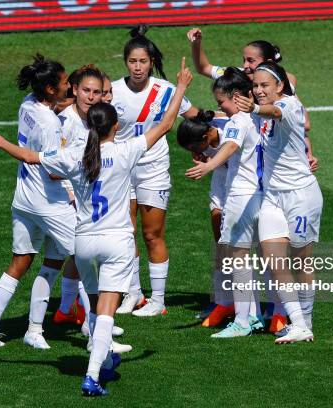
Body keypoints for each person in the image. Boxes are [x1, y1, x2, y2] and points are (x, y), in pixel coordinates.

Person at [0, 57, 193, 396]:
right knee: (107, 313)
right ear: (115, 127)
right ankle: (93, 374)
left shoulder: (76, 155)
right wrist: (182, 86)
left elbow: (29, 157)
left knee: (96, 304)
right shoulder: (127, 150)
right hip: (116, 244)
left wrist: (1, 143)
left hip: (83, 243)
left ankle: (102, 354)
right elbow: (167, 124)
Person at [0, 54, 75, 350]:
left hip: (23, 199)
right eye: (64, 83)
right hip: (51, 204)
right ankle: (100, 333)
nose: (69, 86)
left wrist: (69, 104)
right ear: (49, 89)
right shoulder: (50, 125)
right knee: (86, 258)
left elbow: (50, 112)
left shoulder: (28, 105)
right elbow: (53, 169)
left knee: (21, 262)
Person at [112, 24, 199, 317]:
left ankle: (158, 300)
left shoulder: (165, 90)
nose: (138, 68)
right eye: (133, 62)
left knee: (152, 235)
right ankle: (133, 293)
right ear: (126, 62)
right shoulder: (112, 90)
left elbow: (195, 117)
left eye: (143, 62)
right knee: (126, 233)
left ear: (152, 62)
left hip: (153, 170)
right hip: (122, 171)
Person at [235, 61, 323, 343]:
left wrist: (256, 108)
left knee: (301, 262)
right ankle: (297, 323)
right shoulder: (262, 105)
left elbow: (274, 110)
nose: (259, 91)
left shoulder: (291, 106)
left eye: (265, 86)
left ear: (280, 86)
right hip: (273, 196)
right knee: (274, 261)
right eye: (256, 86)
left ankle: (306, 320)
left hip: (301, 196)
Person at [185, 67, 266, 338]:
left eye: (221, 101)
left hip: (240, 196)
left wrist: (210, 167)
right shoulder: (259, 118)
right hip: (261, 194)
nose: (219, 107)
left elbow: (230, 147)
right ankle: (253, 314)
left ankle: (243, 320)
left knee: (237, 258)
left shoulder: (237, 121)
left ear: (234, 96)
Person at [57, 64, 131, 354]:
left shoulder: (94, 119)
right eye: (87, 91)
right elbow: (56, 167)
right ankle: (77, 317)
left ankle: (92, 325)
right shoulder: (66, 122)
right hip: (69, 202)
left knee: (80, 260)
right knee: (65, 259)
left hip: (86, 205)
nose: (92, 96)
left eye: (98, 92)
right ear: (75, 90)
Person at [186, 27, 318, 175]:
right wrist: (196, 43)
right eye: (244, 60)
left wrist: (309, 154)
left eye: (251, 61)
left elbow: (304, 124)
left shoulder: (281, 84)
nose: (245, 66)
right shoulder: (236, 75)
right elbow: (203, 67)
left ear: (268, 63)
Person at [177, 111, 236, 327]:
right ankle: (223, 301)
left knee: (242, 245)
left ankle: (258, 304)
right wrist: (206, 157)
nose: (194, 153)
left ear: (205, 138)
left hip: (242, 185)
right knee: (220, 242)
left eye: (194, 148)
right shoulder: (203, 128)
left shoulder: (230, 129)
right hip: (221, 183)